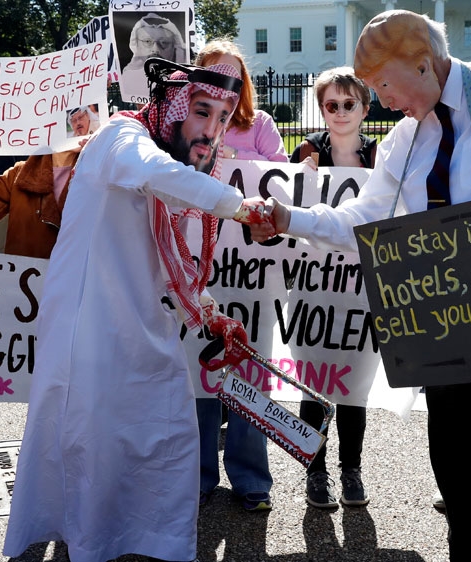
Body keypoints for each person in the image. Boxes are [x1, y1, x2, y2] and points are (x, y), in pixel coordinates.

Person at [251, 10, 471, 561]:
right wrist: (288, 219)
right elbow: (362, 221)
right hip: (442, 322)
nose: (383, 100)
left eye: (383, 85)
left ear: (422, 62)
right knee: (455, 467)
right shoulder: (403, 141)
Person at [2, 61, 271, 562]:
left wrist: (208, 310)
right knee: (96, 444)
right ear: (172, 108)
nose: (210, 130)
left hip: (139, 324)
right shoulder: (121, 138)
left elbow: (168, 253)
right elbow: (153, 174)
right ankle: (94, 545)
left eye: (222, 118)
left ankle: (139, 542)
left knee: (157, 435)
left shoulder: (162, 161)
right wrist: (242, 208)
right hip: (92, 328)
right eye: (201, 112)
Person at [190, 39, 285, 513]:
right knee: (200, 374)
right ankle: (201, 476)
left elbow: (283, 182)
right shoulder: (186, 128)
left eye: (232, 76)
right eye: (211, 74)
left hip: (255, 275)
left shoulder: (261, 126)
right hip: (200, 272)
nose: (223, 84)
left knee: (250, 373)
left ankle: (251, 479)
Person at [286, 66, 376, 508]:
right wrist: (295, 176)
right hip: (312, 290)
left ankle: (352, 469)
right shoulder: (305, 154)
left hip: (361, 291)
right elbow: (280, 218)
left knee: (354, 387)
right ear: (321, 109)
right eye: (331, 105)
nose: (340, 112)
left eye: (349, 104)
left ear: (364, 107)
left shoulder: (380, 160)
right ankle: (316, 472)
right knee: (314, 387)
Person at [195, 40, 288, 163]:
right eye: (216, 75)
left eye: (233, 78)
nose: (225, 85)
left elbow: (281, 169)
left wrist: (233, 154)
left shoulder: (260, 122)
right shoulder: (186, 123)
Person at [120, 13, 187, 102]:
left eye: (164, 43)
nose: (156, 49)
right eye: (147, 41)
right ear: (136, 45)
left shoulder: (188, 82)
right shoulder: (127, 80)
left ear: (174, 47)